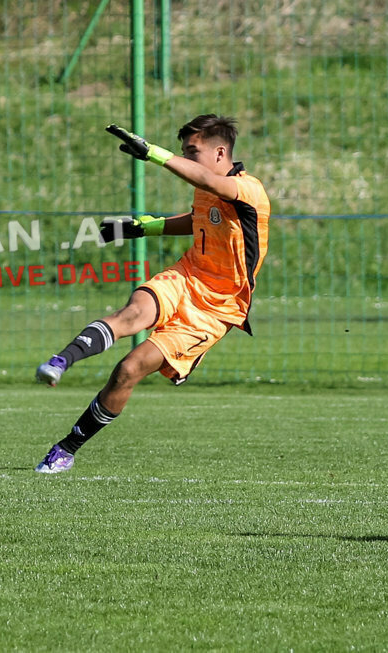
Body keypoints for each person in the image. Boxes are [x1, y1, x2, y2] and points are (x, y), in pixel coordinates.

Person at [33, 114, 270, 474]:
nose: (187, 158)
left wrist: (152, 153)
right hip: (187, 275)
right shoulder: (206, 186)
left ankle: (67, 448)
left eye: (193, 151)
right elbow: (198, 219)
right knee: (132, 315)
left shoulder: (248, 189)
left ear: (220, 152)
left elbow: (209, 180)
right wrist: (145, 227)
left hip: (218, 308)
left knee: (129, 369)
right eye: (183, 152)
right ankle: (60, 361)